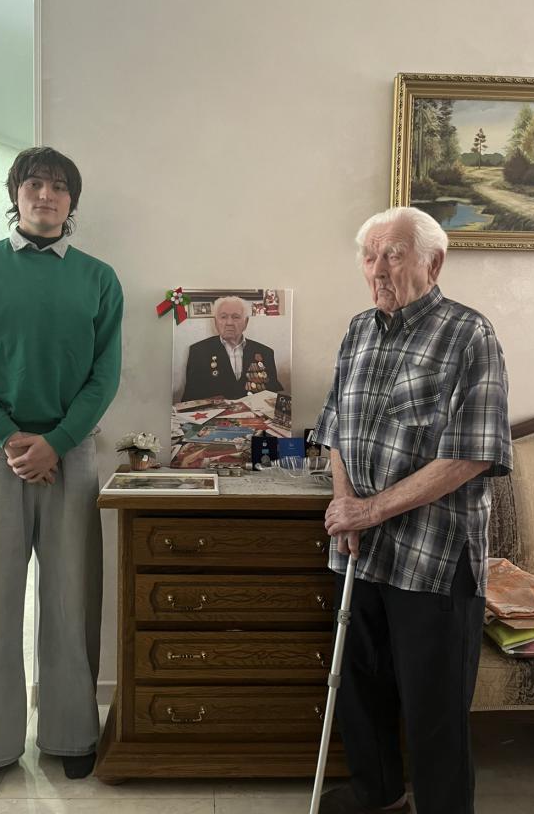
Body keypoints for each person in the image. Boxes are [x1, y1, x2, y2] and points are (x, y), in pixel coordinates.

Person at [310, 207, 511, 814]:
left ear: (433, 262)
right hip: (361, 550)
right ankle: (379, 795)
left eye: (393, 254)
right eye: (369, 256)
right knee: (360, 691)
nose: (378, 269)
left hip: (434, 558)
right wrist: (345, 504)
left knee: (434, 712)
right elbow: (336, 429)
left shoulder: (469, 334)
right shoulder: (358, 330)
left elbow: (472, 454)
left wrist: (368, 511)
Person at [0, 147, 123, 787]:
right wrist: (11, 438)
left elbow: (104, 376)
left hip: (72, 453)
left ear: (73, 201)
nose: (46, 195)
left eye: (60, 187)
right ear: (15, 194)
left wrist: (56, 442)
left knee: (71, 597)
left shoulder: (99, 279)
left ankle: (72, 732)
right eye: (34, 184)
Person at [180, 295, 283, 401]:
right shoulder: (198, 352)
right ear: (215, 322)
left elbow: (273, 395)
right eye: (223, 317)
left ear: (246, 322)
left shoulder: (265, 353)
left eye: (236, 317)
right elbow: (190, 399)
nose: (229, 323)